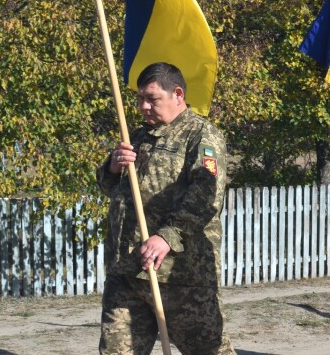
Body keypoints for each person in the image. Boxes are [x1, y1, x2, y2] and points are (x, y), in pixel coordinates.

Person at [98, 62, 234, 355]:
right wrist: (111, 167)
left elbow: (206, 195)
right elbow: (112, 191)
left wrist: (166, 236)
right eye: (140, 99)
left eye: (152, 99)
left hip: (181, 276)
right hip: (127, 272)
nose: (143, 106)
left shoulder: (201, 136)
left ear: (178, 94)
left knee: (208, 350)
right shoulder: (137, 136)